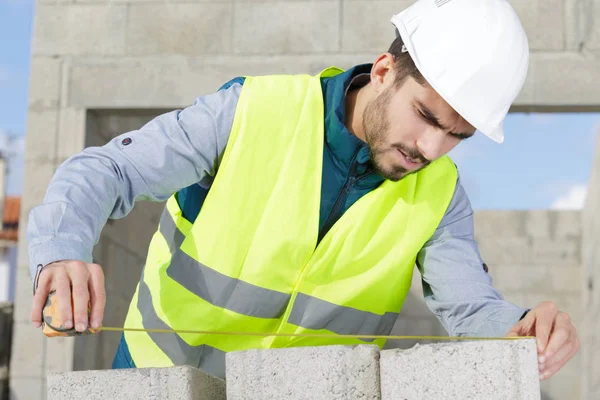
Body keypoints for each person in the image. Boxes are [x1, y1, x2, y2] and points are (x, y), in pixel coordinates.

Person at [29, 0, 579, 381]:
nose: (431, 148)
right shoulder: (251, 112)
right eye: (425, 116)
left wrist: (520, 329)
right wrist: (62, 248)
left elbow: (470, 308)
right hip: (162, 380)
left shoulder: (439, 195)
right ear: (384, 70)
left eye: (457, 135)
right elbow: (108, 171)